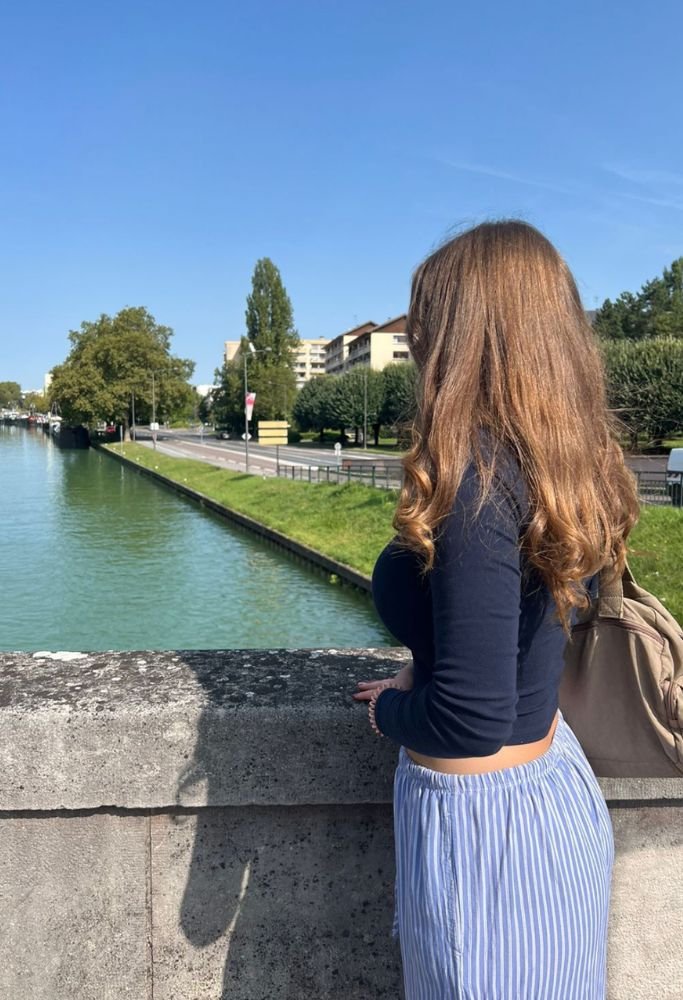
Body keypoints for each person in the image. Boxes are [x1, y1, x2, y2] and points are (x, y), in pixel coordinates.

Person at [353, 220, 640, 1000]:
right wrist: (431, 653)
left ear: (465, 335)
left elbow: (469, 720)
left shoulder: (476, 483)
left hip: (486, 836)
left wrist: (391, 712)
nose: (416, 347)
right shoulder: (563, 469)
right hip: (542, 792)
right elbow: (524, 624)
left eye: (425, 323)